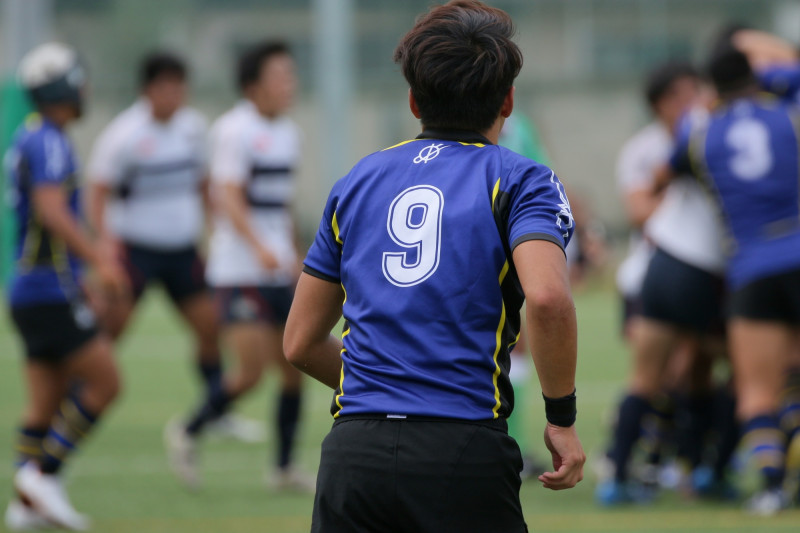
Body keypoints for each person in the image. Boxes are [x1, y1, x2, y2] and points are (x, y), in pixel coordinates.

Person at [284, 2, 585, 531]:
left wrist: (384, 388)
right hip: (460, 449)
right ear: (508, 100)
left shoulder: (357, 181)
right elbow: (547, 297)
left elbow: (300, 343)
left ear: (414, 99)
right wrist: (561, 419)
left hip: (353, 455)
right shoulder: (522, 180)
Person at [85, 52, 263, 444]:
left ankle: (217, 413)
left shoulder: (193, 129)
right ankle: (76, 399)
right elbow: (97, 193)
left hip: (182, 251)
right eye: (165, 87)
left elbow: (203, 183)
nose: (174, 95)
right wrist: (106, 246)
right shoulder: (124, 134)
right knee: (109, 330)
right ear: (147, 90)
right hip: (136, 251)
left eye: (179, 87)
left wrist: (215, 227)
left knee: (210, 328)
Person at [655, 43, 800, 514]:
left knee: (757, 388)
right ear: (754, 78)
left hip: (751, 267)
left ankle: (773, 487)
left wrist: (707, 105)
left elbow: (666, 170)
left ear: (713, 88)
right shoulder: (788, 114)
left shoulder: (701, 135)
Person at [164, 41, 310, 490]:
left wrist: (289, 253)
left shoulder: (288, 133)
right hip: (238, 269)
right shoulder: (234, 129)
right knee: (249, 373)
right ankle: (187, 431)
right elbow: (226, 195)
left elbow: (278, 204)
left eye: (290, 74)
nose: (290, 84)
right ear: (253, 86)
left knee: (295, 368)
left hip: (274, 266)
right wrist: (258, 247)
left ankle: (283, 468)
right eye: (280, 76)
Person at [597, 62, 738, 505]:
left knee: (680, 374)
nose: (692, 100)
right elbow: (640, 209)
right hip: (688, 269)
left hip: (665, 265)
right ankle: (706, 471)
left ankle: (624, 476)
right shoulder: (709, 128)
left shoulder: (695, 131)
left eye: (696, 90)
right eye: (681, 93)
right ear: (659, 103)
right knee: (752, 371)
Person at [3, 42, 126, 531]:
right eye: (77, 79)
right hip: (45, 291)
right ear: (60, 86)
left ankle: (24, 505)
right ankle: (43, 477)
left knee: (42, 403)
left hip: (31, 290)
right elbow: (52, 212)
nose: (84, 88)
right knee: (107, 383)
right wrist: (100, 262)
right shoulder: (48, 139)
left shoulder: (30, 136)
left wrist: (82, 279)